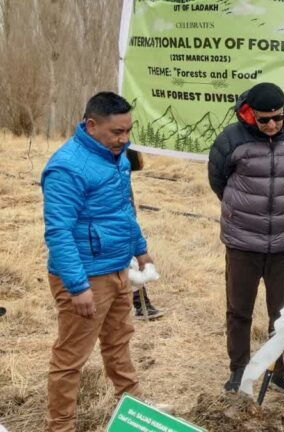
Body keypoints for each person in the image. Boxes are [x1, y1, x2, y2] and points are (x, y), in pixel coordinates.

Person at [42, 92, 154, 432]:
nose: (124, 139)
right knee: (70, 358)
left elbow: (121, 211)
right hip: (85, 277)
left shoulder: (116, 157)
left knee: (119, 344)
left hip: (118, 268)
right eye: (116, 132)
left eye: (128, 131)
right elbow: (59, 232)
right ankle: (60, 426)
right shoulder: (66, 167)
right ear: (91, 126)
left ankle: (135, 413)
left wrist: (140, 249)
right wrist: (78, 287)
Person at [208, 82, 284, 395]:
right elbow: (218, 181)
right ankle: (239, 371)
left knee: (283, 315)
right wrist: (244, 211)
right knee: (239, 310)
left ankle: (282, 372)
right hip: (242, 243)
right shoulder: (229, 140)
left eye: (277, 118)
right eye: (264, 119)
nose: (272, 125)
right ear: (249, 114)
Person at [126, 148, 164, 320]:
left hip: (126, 205)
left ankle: (142, 304)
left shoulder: (124, 145)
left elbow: (137, 164)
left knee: (131, 254)